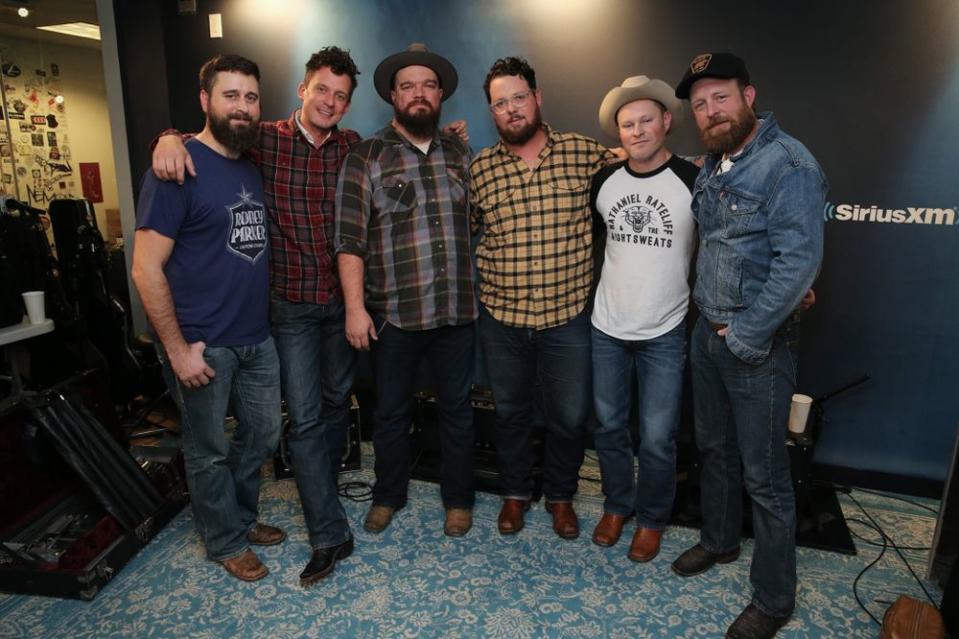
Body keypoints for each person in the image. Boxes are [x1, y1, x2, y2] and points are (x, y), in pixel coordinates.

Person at [152, 47, 361, 586]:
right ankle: (296, 535)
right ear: (302, 89)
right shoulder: (260, 139)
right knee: (279, 428)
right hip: (281, 310)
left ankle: (244, 518)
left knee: (280, 428)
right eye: (322, 89)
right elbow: (145, 267)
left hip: (317, 309)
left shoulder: (352, 149)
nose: (330, 101)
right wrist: (167, 135)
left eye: (341, 95)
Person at [669, 52, 826, 639]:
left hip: (754, 346)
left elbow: (799, 263)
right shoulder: (715, 161)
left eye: (722, 97)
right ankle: (718, 541)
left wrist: (746, 335)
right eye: (701, 103)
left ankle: (774, 598)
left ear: (749, 95)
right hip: (705, 333)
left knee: (765, 478)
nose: (711, 110)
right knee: (713, 450)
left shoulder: (789, 166)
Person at [131, 53, 283, 582]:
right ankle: (224, 540)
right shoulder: (175, 170)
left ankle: (240, 516)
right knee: (208, 450)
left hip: (255, 338)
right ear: (205, 101)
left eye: (250, 97)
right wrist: (175, 350)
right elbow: (145, 268)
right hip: (200, 343)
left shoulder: (249, 162)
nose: (242, 107)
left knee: (263, 436)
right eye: (230, 95)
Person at [335, 43, 476, 538]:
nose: (419, 93)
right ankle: (388, 495)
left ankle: (458, 500)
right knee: (391, 413)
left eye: (429, 85)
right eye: (409, 85)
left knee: (457, 413)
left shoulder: (460, 152)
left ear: (440, 96)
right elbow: (349, 238)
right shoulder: (365, 156)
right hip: (393, 315)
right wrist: (355, 308)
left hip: (457, 313)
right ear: (393, 95)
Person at [470, 57, 614, 540]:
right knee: (509, 413)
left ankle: (560, 497)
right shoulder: (480, 170)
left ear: (537, 97)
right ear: (492, 112)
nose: (511, 110)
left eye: (518, 97)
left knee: (570, 418)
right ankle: (514, 494)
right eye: (499, 103)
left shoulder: (585, 153)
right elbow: (461, 233)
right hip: (502, 316)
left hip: (567, 314)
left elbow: (640, 172)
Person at [589, 76, 698, 561]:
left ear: (667, 121)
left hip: (666, 329)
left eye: (646, 120)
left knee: (657, 436)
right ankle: (617, 505)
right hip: (607, 325)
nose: (637, 131)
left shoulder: (694, 181)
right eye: (628, 124)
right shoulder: (603, 181)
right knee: (610, 426)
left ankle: (652, 518)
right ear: (619, 132)